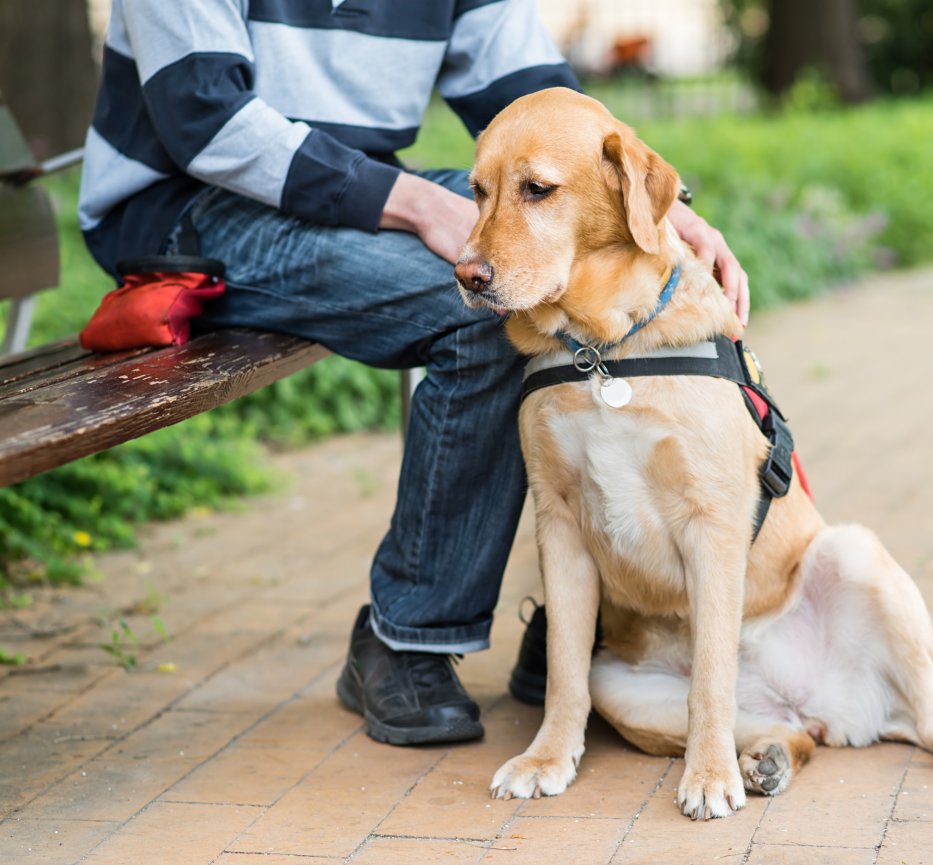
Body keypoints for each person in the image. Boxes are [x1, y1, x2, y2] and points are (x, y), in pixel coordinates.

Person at [79, 0, 749, 746]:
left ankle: (588, 615)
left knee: (589, 269)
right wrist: (413, 202)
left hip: (346, 188)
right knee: (487, 306)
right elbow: (204, 119)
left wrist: (658, 209)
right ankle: (406, 637)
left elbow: (532, 90)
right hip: (186, 201)